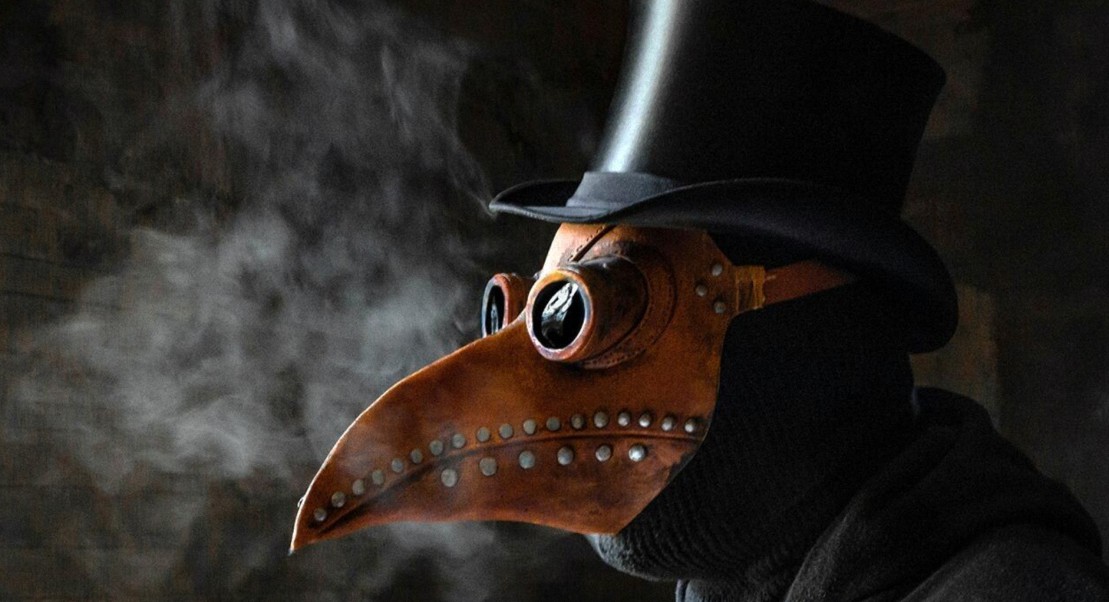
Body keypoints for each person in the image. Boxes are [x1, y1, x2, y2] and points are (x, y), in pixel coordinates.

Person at [292, 1, 1109, 599]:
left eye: (584, 312)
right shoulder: (745, 580)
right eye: (538, 306)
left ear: (807, 339)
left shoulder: (1009, 589)